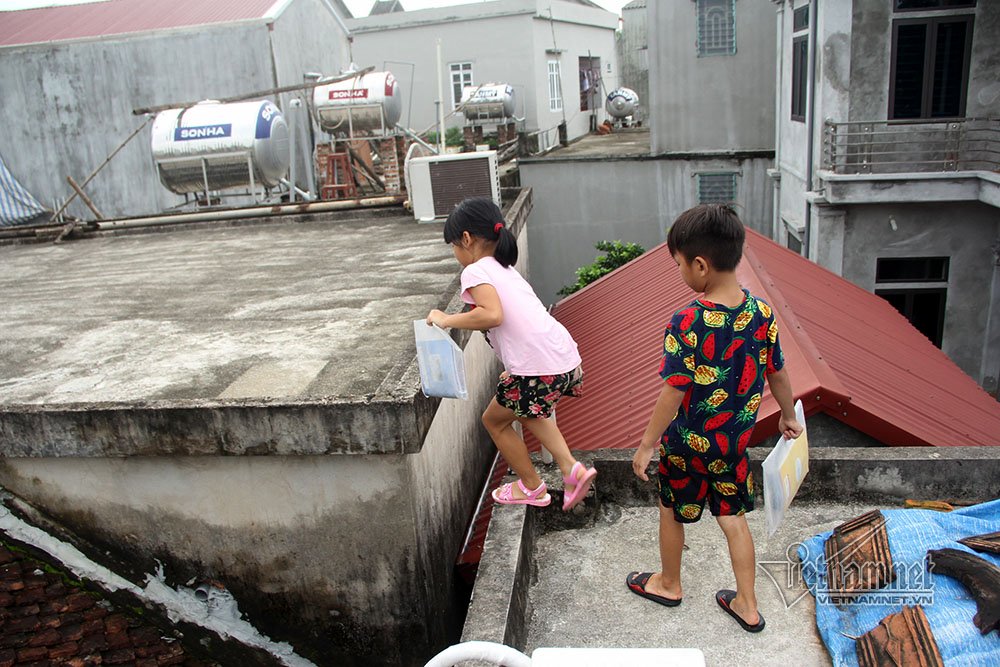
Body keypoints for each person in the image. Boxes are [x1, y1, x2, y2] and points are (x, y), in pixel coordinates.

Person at [626, 204, 803, 633]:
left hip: (686, 445)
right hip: (733, 445)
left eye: (680, 265)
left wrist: (648, 443)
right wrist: (786, 416)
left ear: (700, 265)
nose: (681, 272)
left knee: (671, 509)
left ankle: (669, 584)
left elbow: (675, 388)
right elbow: (777, 371)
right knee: (733, 519)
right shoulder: (761, 314)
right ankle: (747, 604)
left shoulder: (687, 321)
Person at [425, 197, 597, 511]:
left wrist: (446, 319)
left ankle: (537, 484)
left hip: (538, 365)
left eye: (453, 245)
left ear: (467, 239)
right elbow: (521, 322)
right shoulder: (505, 268)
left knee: (495, 420)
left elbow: (493, 316)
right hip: (563, 356)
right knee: (526, 409)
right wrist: (514, 368)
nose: (455, 253)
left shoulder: (476, 271)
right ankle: (568, 470)